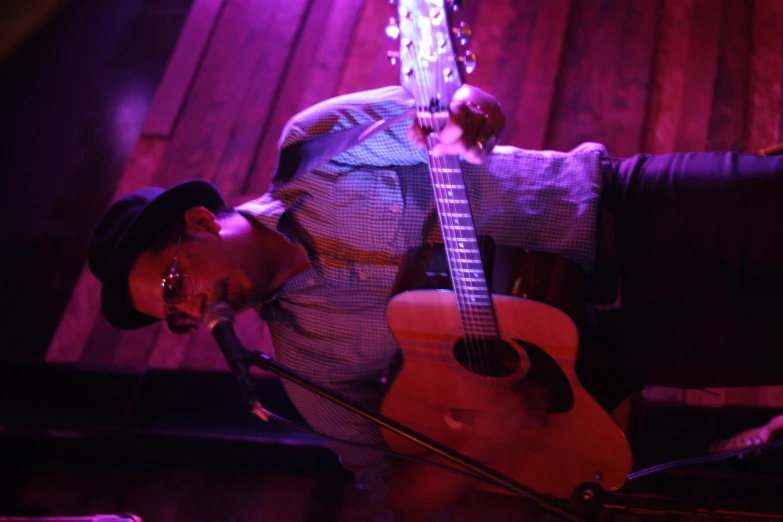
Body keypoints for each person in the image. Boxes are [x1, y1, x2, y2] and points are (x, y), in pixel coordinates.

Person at [86, 83, 783, 521]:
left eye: (177, 284)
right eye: (176, 317)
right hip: (623, 347)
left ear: (201, 223)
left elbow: (446, 116)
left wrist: (467, 117)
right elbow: (391, 491)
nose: (196, 310)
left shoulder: (310, 147)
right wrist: (476, 440)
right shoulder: (305, 360)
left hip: (627, 208)